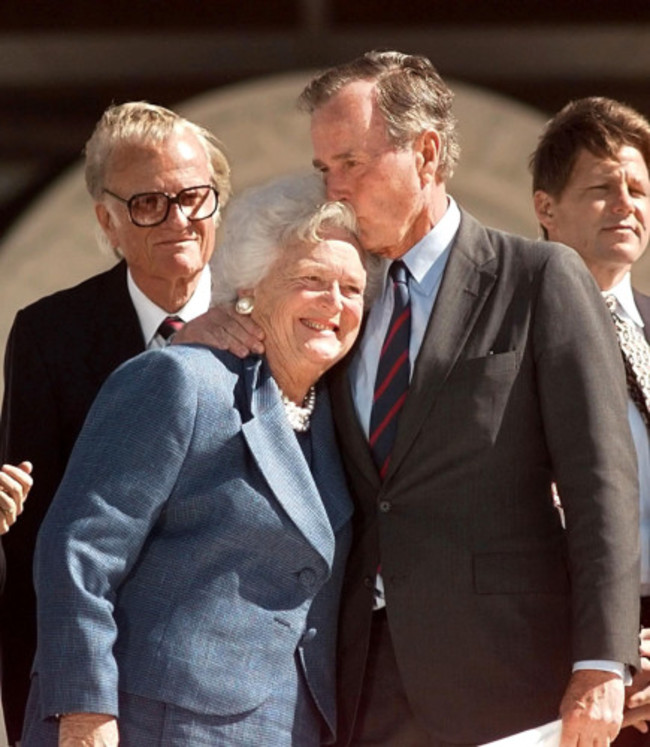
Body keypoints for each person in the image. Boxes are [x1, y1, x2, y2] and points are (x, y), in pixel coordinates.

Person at [177, 51, 641, 745]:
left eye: (351, 163)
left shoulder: (538, 278)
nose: (333, 190)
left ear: (425, 154)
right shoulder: (339, 297)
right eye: (323, 169)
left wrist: (602, 662)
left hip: (512, 679)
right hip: (360, 679)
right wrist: (222, 317)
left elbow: (601, 481)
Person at [21, 173, 372, 746]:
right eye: (311, 280)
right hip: (153, 726)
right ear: (252, 287)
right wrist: (84, 711)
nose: (334, 304)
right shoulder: (181, 381)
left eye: (352, 289)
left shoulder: (339, 418)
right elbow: (80, 548)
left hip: (286, 729)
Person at [0, 100, 231, 744]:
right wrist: (32, 701)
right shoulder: (52, 336)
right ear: (108, 220)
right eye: (150, 204)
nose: (180, 219)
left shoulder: (269, 320)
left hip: (238, 687)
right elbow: (33, 539)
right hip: (102, 691)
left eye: (195, 197)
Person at [531, 95, 650, 747]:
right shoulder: (504, 338)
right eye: (603, 189)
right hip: (566, 664)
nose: (627, 204)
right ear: (546, 208)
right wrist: (605, 650)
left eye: (638, 188)